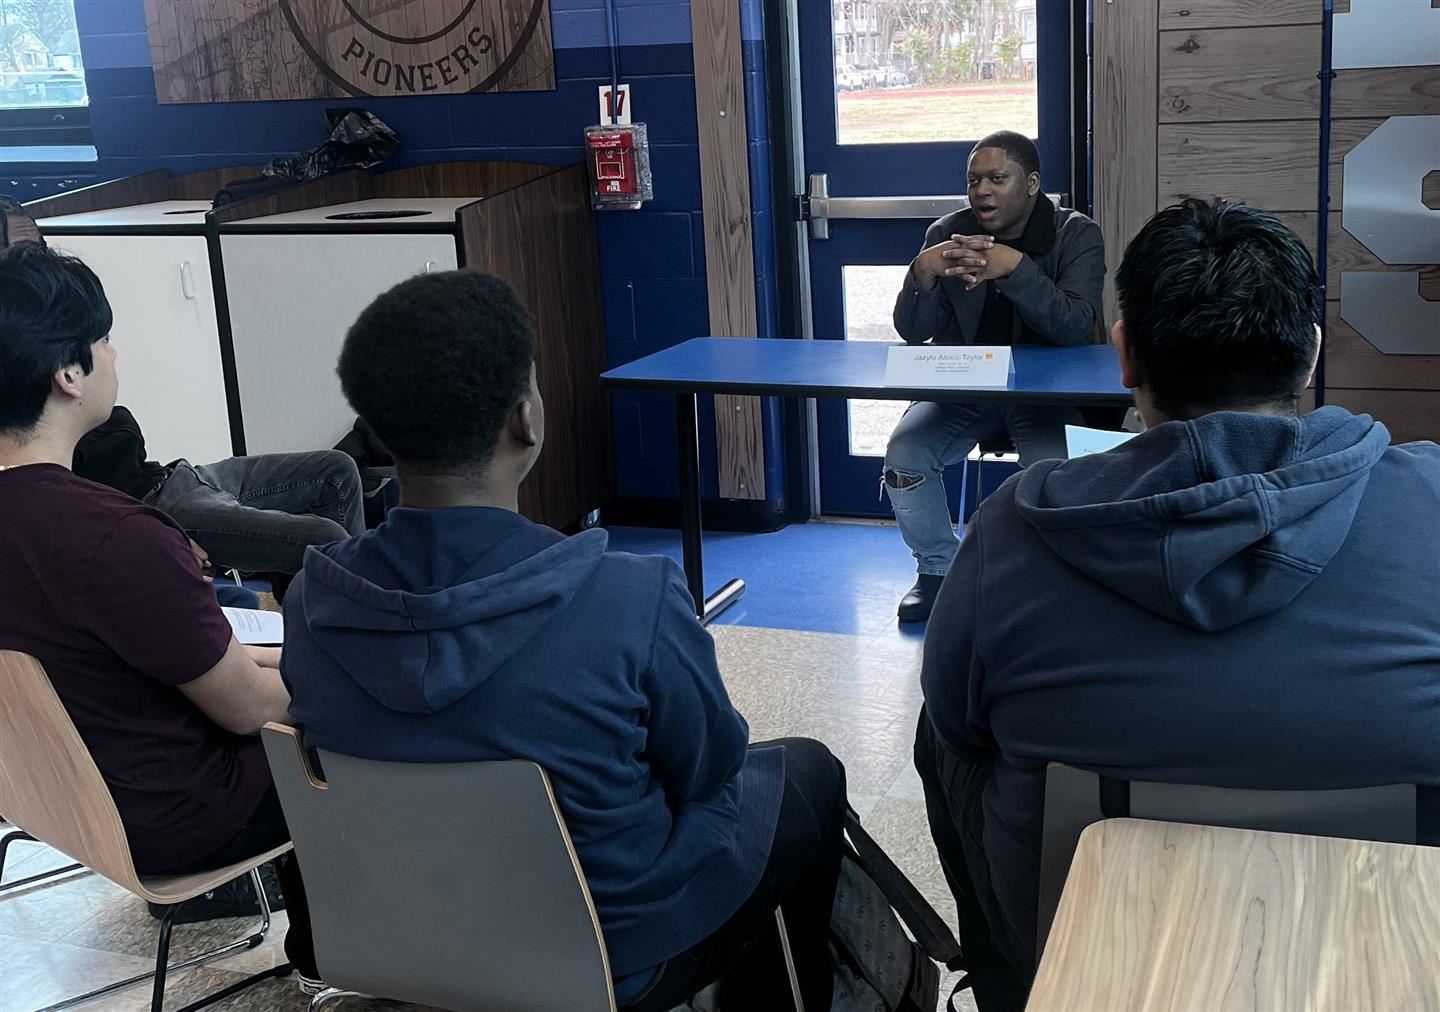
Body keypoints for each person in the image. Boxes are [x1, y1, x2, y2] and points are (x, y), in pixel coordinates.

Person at [914, 200, 1440, 1010]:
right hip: (1386, 955)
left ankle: (1002, 983)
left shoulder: (1010, 531)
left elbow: (958, 727)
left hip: (1074, 945)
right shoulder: (1433, 499)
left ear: (1124, 357)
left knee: (941, 728)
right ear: (1309, 358)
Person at [280, 269, 849, 1010]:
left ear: (379, 435)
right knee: (807, 772)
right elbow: (710, 763)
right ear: (527, 418)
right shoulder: (629, 596)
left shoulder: (311, 601)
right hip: (612, 953)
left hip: (394, 938)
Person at [0, 242, 318, 986]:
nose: (115, 354)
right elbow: (249, 710)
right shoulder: (114, 537)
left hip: (57, 805)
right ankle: (338, 961)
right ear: (68, 371)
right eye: (104, 338)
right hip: (180, 816)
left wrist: (291, 653)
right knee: (381, 724)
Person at [887, 130, 1105, 622]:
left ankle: (1045, 580)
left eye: (996, 179)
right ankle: (937, 572)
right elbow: (912, 333)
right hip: (965, 390)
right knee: (905, 456)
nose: (981, 191)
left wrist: (1014, 270)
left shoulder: (1077, 234)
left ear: (1030, 183)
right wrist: (920, 274)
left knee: (1053, 473)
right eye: (973, 181)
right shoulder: (946, 232)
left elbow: (1074, 325)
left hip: (1047, 397)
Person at [73, 405, 366, 582]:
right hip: (162, 508)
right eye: (103, 343)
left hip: (179, 475)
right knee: (328, 540)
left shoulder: (85, 399)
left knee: (336, 469)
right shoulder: (43, 437)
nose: (110, 353)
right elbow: (85, 511)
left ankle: (359, 608)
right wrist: (158, 534)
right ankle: (366, 630)